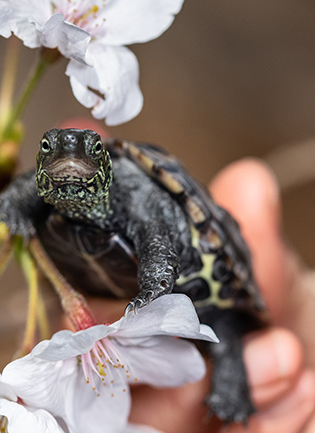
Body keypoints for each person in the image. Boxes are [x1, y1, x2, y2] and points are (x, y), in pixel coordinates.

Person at [60, 120, 315, 432]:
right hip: (110, 303)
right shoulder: (46, 202)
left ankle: (232, 402)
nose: (69, 157)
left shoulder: (132, 188)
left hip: (207, 289)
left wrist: (153, 288)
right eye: (50, 150)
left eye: (87, 153)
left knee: (224, 338)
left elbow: (154, 232)